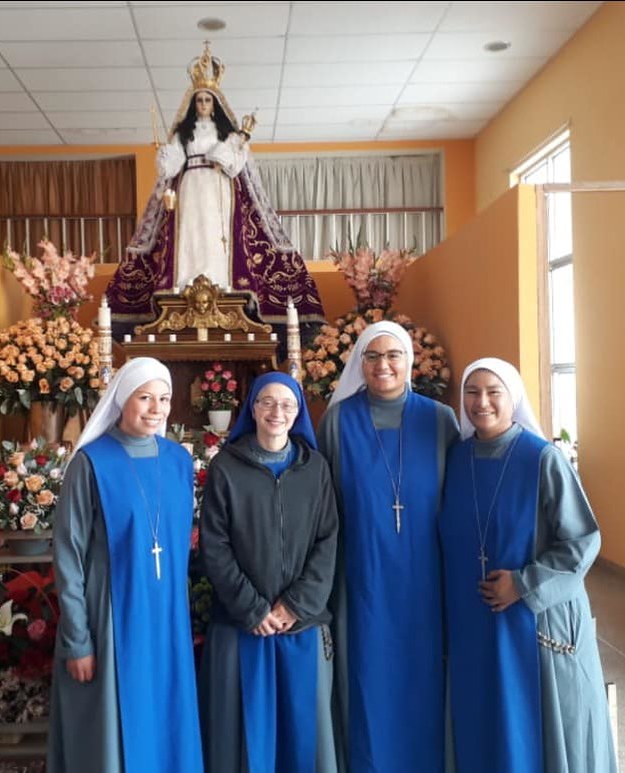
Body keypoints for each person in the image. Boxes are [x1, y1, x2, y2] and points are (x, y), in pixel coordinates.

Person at [439, 358, 616, 773]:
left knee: (536, 730)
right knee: (482, 717)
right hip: (474, 621)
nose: (481, 402)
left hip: (532, 617)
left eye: (493, 392)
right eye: (472, 392)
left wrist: (523, 584)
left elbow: (582, 539)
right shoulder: (456, 459)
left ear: (513, 397)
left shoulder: (542, 459)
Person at [317, 320, 459, 773]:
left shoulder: (439, 420)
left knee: (424, 681)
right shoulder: (339, 421)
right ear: (360, 363)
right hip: (361, 580)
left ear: (410, 363)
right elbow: (322, 506)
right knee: (368, 681)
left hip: (426, 581)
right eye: (373, 357)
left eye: (393, 355)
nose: (383, 366)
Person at [48, 357, 203, 773]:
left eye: (165, 398)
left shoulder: (178, 461)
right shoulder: (91, 463)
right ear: (121, 400)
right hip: (110, 616)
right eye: (145, 397)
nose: (156, 408)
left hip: (166, 617)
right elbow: (68, 552)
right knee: (115, 728)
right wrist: (79, 640)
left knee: (165, 715)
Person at [107, 42, 325, 329]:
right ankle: (186, 282)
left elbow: (234, 166)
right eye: (199, 101)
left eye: (208, 101)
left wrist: (233, 147)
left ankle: (219, 283)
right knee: (191, 232)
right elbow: (171, 167)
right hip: (190, 186)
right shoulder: (184, 134)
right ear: (192, 104)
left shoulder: (228, 135)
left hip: (219, 189)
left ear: (216, 104)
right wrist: (165, 156)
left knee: (215, 233)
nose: (203, 106)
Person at [199, 371, 339, 773]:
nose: (277, 412)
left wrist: (295, 605)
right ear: (253, 408)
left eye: (287, 404)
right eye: (268, 402)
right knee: (245, 741)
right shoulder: (227, 467)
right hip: (244, 626)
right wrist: (253, 609)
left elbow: (327, 541)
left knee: (303, 738)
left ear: (298, 413)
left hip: (302, 625)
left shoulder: (316, 469)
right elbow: (215, 544)